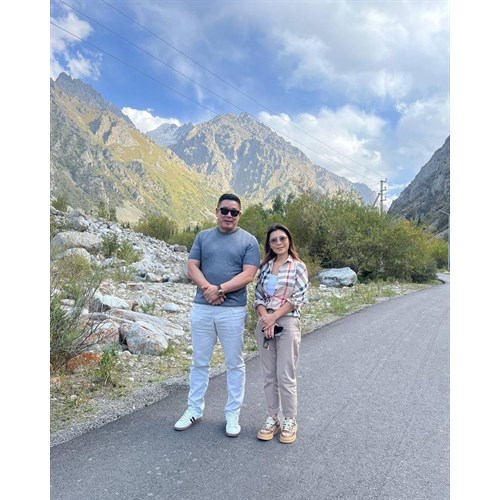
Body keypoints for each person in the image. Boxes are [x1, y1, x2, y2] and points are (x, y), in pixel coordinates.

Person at [174, 193, 260, 437]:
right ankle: (194, 409)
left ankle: (232, 414)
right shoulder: (203, 237)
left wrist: (220, 289)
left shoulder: (249, 241)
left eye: (234, 212)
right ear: (216, 211)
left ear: (239, 215)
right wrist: (208, 289)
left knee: (234, 363)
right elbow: (192, 266)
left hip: (232, 310)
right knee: (199, 362)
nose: (229, 215)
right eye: (225, 210)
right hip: (202, 308)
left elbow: (248, 274)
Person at [253, 223, 308, 444]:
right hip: (265, 323)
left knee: (285, 374)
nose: (278, 243)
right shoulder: (265, 268)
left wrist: (274, 317)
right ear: (269, 244)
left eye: (282, 238)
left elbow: (299, 297)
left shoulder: (298, 267)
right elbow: (258, 296)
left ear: (289, 240)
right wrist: (265, 317)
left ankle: (290, 420)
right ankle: (273, 418)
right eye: (274, 240)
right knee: (269, 375)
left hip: (287, 321)